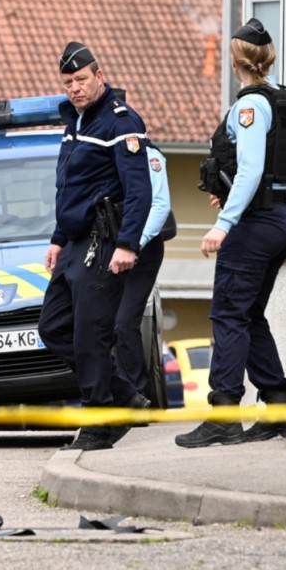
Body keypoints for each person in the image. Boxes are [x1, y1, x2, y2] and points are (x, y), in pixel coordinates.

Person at [176, 18, 286, 448]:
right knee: (249, 315)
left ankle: (224, 415)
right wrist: (234, 196)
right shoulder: (282, 100)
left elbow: (249, 168)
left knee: (228, 315)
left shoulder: (250, 105)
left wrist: (223, 223)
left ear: (237, 60)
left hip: (254, 225)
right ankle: (279, 405)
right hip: (280, 217)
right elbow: (282, 170)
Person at [37, 41, 153, 452]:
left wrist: (127, 245)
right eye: (68, 82)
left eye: (81, 79)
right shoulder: (76, 122)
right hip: (74, 243)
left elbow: (140, 191)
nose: (75, 88)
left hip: (105, 243)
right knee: (52, 328)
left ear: (99, 76)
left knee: (91, 334)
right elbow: (69, 188)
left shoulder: (121, 122)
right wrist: (57, 238)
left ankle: (100, 423)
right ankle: (121, 393)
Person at [112, 145, 175, 407]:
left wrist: (133, 244)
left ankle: (135, 396)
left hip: (141, 249)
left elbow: (160, 205)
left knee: (124, 323)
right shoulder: (96, 151)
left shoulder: (147, 154)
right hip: (107, 248)